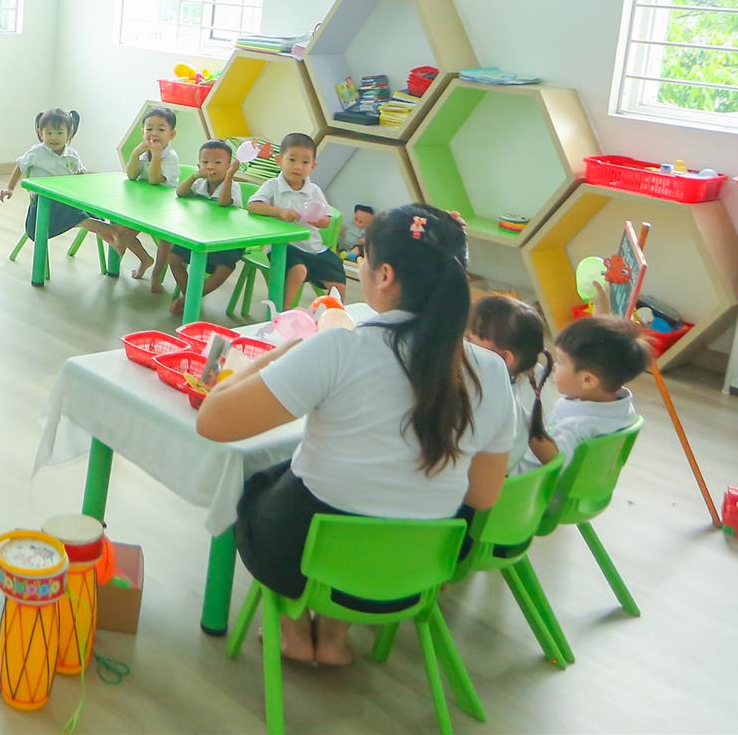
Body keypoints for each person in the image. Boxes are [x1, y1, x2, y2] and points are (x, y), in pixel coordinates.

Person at [196, 204, 511, 667]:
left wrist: (290, 349)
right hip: (413, 575)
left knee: (262, 481)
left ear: (384, 275)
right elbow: (483, 496)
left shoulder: (340, 347)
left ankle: (292, 629)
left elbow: (213, 420)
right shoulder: (490, 370)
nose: (359, 264)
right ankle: (333, 635)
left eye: (363, 256)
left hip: (303, 562)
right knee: (355, 496)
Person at [526, 315, 647, 468]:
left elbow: (553, 461)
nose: (554, 366)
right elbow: (606, 347)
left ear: (588, 380)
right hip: (591, 482)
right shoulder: (622, 409)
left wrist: (523, 420)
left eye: (560, 360)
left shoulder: (575, 428)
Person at [245, 133, 346, 308]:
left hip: (313, 247)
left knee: (338, 281)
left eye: (305, 162)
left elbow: (326, 220)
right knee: (298, 270)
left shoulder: (314, 190)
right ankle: (283, 313)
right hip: (282, 247)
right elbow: (253, 205)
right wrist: (280, 212)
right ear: (279, 160)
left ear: (313, 166)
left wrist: (318, 220)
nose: (298, 166)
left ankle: (334, 313)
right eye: (292, 160)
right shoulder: (272, 186)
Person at [0, 107, 118, 251]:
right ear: (40, 133)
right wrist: (10, 188)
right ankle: (112, 232)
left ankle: (114, 239)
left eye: (59, 133)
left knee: (89, 210)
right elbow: (20, 166)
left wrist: (80, 177)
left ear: (69, 134)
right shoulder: (37, 152)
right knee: (78, 214)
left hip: (68, 198)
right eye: (49, 133)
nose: (54, 137)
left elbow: (82, 176)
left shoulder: (72, 155)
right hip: (45, 202)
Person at [466, 293, 550, 473]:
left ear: (504, 358)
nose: (463, 348)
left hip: (485, 487)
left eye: (470, 341)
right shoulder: (510, 392)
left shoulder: (484, 404)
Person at [163, 138, 242, 316]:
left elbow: (223, 203)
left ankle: (190, 299)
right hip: (198, 236)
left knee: (226, 267)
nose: (210, 166)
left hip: (226, 239)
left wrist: (229, 177)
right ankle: (191, 297)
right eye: (205, 162)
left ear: (228, 166)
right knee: (173, 257)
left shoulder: (233, 186)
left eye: (217, 163)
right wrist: (194, 176)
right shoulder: (199, 183)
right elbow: (180, 193)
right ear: (199, 165)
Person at [105, 106, 179, 278]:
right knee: (121, 233)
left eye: (161, 129)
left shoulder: (170, 156)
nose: (154, 133)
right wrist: (135, 154)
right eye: (149, 129)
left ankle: (152, 272)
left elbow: (154, 180)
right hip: (144, 204)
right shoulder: (146, 153)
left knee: (122, 235)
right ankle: (145, 259)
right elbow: (131, 175)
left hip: (163, 209)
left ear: (172, 134)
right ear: (143, 132)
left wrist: (157, 156)